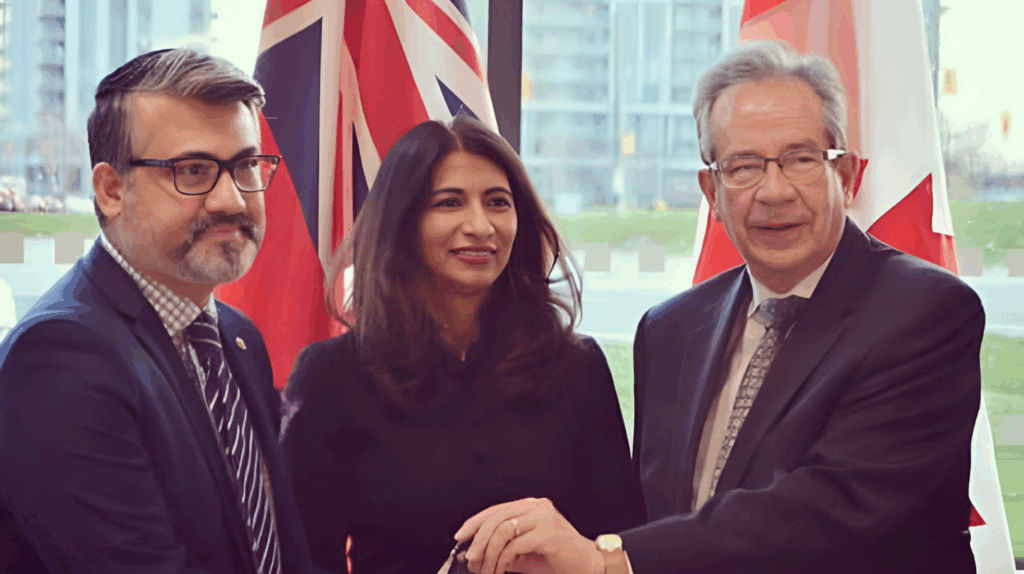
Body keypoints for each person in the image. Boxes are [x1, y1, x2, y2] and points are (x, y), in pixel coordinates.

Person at [454, 40, 984, 574]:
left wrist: (607, 560)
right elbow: (656, 517)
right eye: (743, 166)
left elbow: (831, 508)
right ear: (711, 192)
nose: (774, 192)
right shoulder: (669, 330)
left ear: (846, 178)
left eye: (801, 160)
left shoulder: (924, 313)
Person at [0, 48, 323, 574]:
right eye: (193, 171)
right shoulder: (60, 357)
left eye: (246, 165)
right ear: (111, 190)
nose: (232, 200)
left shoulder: (237, 335)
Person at [281, 115, 646, 574]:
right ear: (401, 221)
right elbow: (303, 560)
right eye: (449, 202)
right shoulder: (331, 376)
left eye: (498, 202)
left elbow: (620, 541)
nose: (480, 225)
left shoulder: (577, 365)